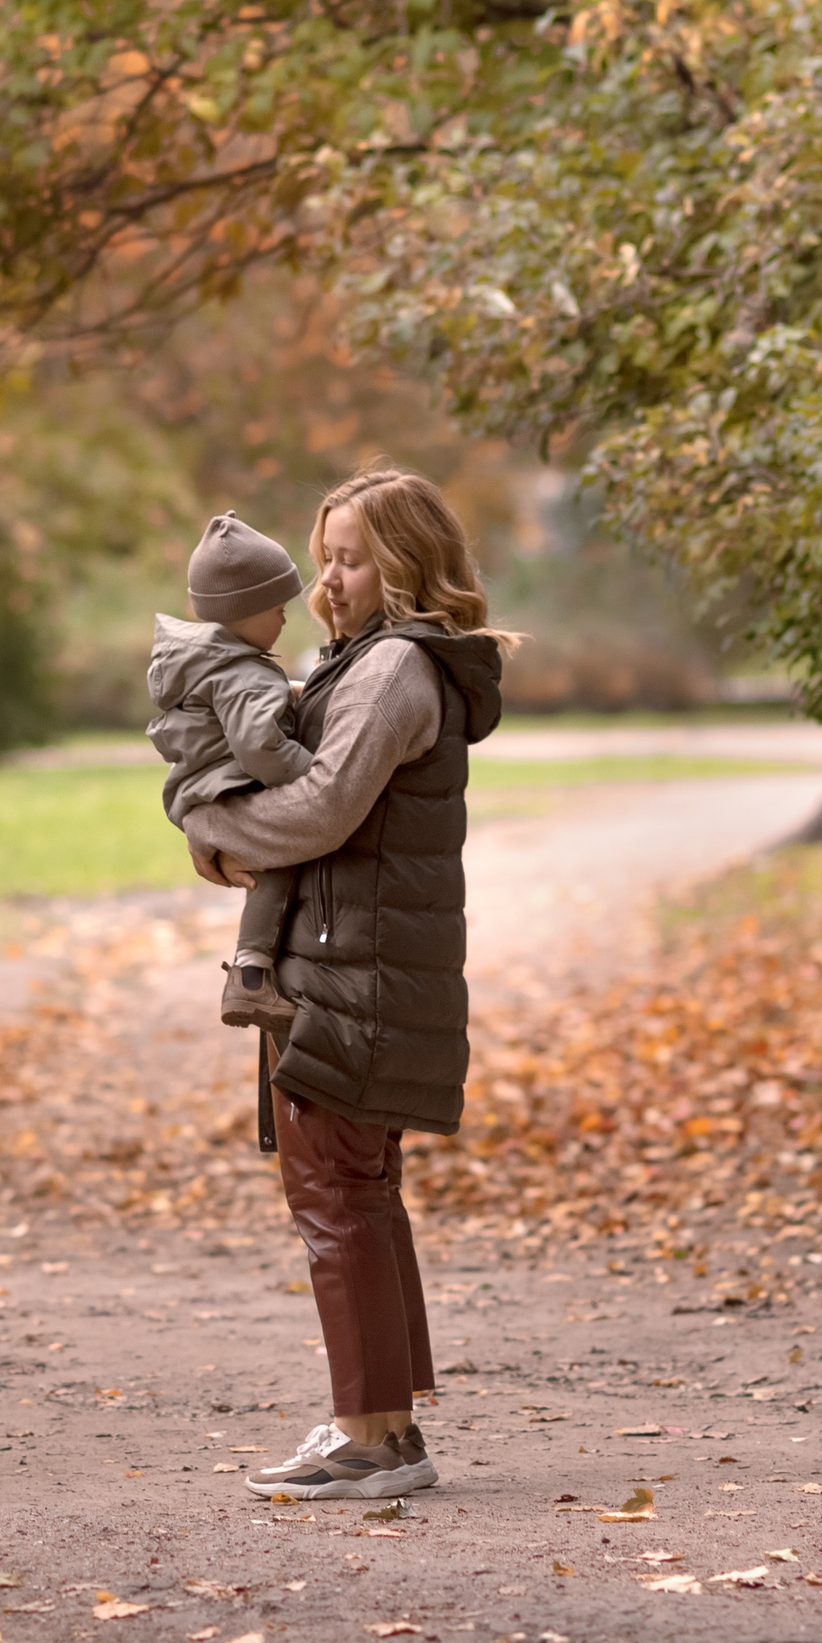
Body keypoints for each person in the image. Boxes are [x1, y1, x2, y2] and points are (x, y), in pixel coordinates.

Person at [182, 467, 509, 1501]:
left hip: (353, 971)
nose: (329, 575)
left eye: (351, 556)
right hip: (353, 957)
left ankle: (367, 1439)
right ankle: (383, 1429)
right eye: (324, 554)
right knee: (356, 1193)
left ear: (404, 561)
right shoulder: (371, 661)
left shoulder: (392, 672)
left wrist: (206, 826)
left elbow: (320, 811)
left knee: (333, 1193)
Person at [145, 511, 312, 1035]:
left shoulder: (212, 662)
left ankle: (256, 967)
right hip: (229, 785)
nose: (285, 620)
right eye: (278, 609)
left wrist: (289, 692)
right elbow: (261, 747)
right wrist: (317, 772)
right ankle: (252, 977)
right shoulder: (243, 677)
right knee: (283, 852)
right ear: (245, 612)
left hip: (202, 785)